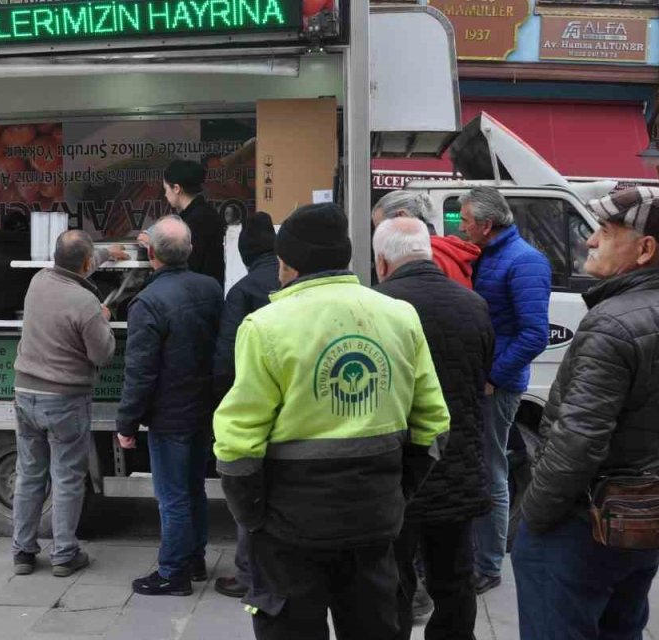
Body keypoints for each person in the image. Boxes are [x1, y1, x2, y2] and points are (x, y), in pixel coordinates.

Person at [212, 203, 450, 640]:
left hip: (289, 528)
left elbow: (237, 441)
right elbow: (433, 422)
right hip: (374, 519)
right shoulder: (399, 316)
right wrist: (396, 493)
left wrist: (253, 516)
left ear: (286, 264)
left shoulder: (265, 326)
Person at [512, 187, 659, 640]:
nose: (589, 241)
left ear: (644, 249)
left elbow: (576, 442)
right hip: (642, 515)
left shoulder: (614, 321)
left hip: (582, 524)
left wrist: (535, 518)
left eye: (604, 230)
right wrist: (650, 478)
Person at [372, 217, 494, 640]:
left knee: (394, 581)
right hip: (457, 465)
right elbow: (483, 376)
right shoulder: (473, 304)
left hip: (398, 471)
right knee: (455, 578)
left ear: (382, 263)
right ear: (428, 251)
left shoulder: (376, 306)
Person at [117, 215, 225, 597]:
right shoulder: (211, 288)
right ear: (190, 249)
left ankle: (173, 573)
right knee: (194, 488)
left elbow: (140, 371)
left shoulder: (147, 302)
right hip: (205, 408)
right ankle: (194, 559)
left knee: (173, 496)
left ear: (150, 253)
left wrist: (126, 422)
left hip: (169, 413)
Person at [460, 186, 551, 594]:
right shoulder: (486, 254)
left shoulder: (526, 261)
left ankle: (490, 565)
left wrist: (494, 377)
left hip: (497, 387)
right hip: (481, 382)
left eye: (464, 221)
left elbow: (535, 334)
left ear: (486, 224)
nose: (460, 228)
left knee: (492, 472)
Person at [11, 230, 117, 578]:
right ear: (86, 263)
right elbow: (102, 355)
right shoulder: (86, 304)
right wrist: (104, 319)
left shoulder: (37, 282)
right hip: (65, 400)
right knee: (68, 477)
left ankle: (23, 552)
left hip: (25, 394)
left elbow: (77, 264)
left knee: (29, 475)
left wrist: (105, 255)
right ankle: (64, 554)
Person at [211, 211, 280, 599]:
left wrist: (222, 405)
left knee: (248, 492)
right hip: (292, 408)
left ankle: (247, 575)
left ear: (245, 251)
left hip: (253, 407)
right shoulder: (293, 281)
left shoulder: (242, 291)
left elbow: (225, 360)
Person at [372, 190, 481, 289]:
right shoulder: (447, 251)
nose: (378, 235)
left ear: (402, 216)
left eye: (381, 227)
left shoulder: (419, 257)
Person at [163, 159, 226, 286]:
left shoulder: (193, 221)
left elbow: (186, 265)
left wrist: (154, 243)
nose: (165, 194)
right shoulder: (205, 213)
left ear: (176, 188)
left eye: (166, 189)